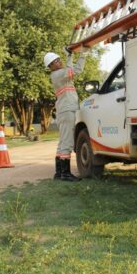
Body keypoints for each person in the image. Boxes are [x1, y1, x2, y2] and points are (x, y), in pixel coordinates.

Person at [44, 49, 88, 182]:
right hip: (67, 110)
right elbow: (70, 70)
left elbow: (77, 70)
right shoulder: (57, 74)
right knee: (67, 142)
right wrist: (70, 55)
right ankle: (65, 174)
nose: (58, 62)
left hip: (65, 110)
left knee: (63, 141)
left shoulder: (62, 74)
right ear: (50, 67)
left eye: (58, 59)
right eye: (55, 62)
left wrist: (83, 54)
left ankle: (59, 173)